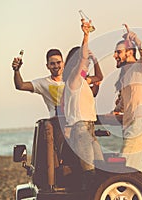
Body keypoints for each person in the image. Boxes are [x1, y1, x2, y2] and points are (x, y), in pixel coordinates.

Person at [12, 48, 65, 190]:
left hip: (75, 123)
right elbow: (20, 85)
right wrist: (16, 70)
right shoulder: (44, 83)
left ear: (63, 63)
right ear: (47, 66)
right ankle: (54, 180)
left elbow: (93, 84)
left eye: (58, 62)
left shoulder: (72, 80)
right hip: (57, 124)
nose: (56, 66)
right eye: (52, 63)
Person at [63, 18, 104, 192]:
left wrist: (95, 61)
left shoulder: (83, 81)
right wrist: (86, 35)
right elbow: (82, 58)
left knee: (100, 169)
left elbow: (99, 78)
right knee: (90, 173)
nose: (86, 64)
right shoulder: (73, 79)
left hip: (90, 128)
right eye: (84, 61)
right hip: (80, 129)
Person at [113, 29, 142, 172]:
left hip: (140, 123)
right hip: (132, 125)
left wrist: (135, 38)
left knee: (122, 165)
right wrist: (115, 111)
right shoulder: (126, 77)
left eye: (118, 52)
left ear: (129, 52)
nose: (114, 56)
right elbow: (124, 104)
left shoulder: (140, 68)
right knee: (133, 169)